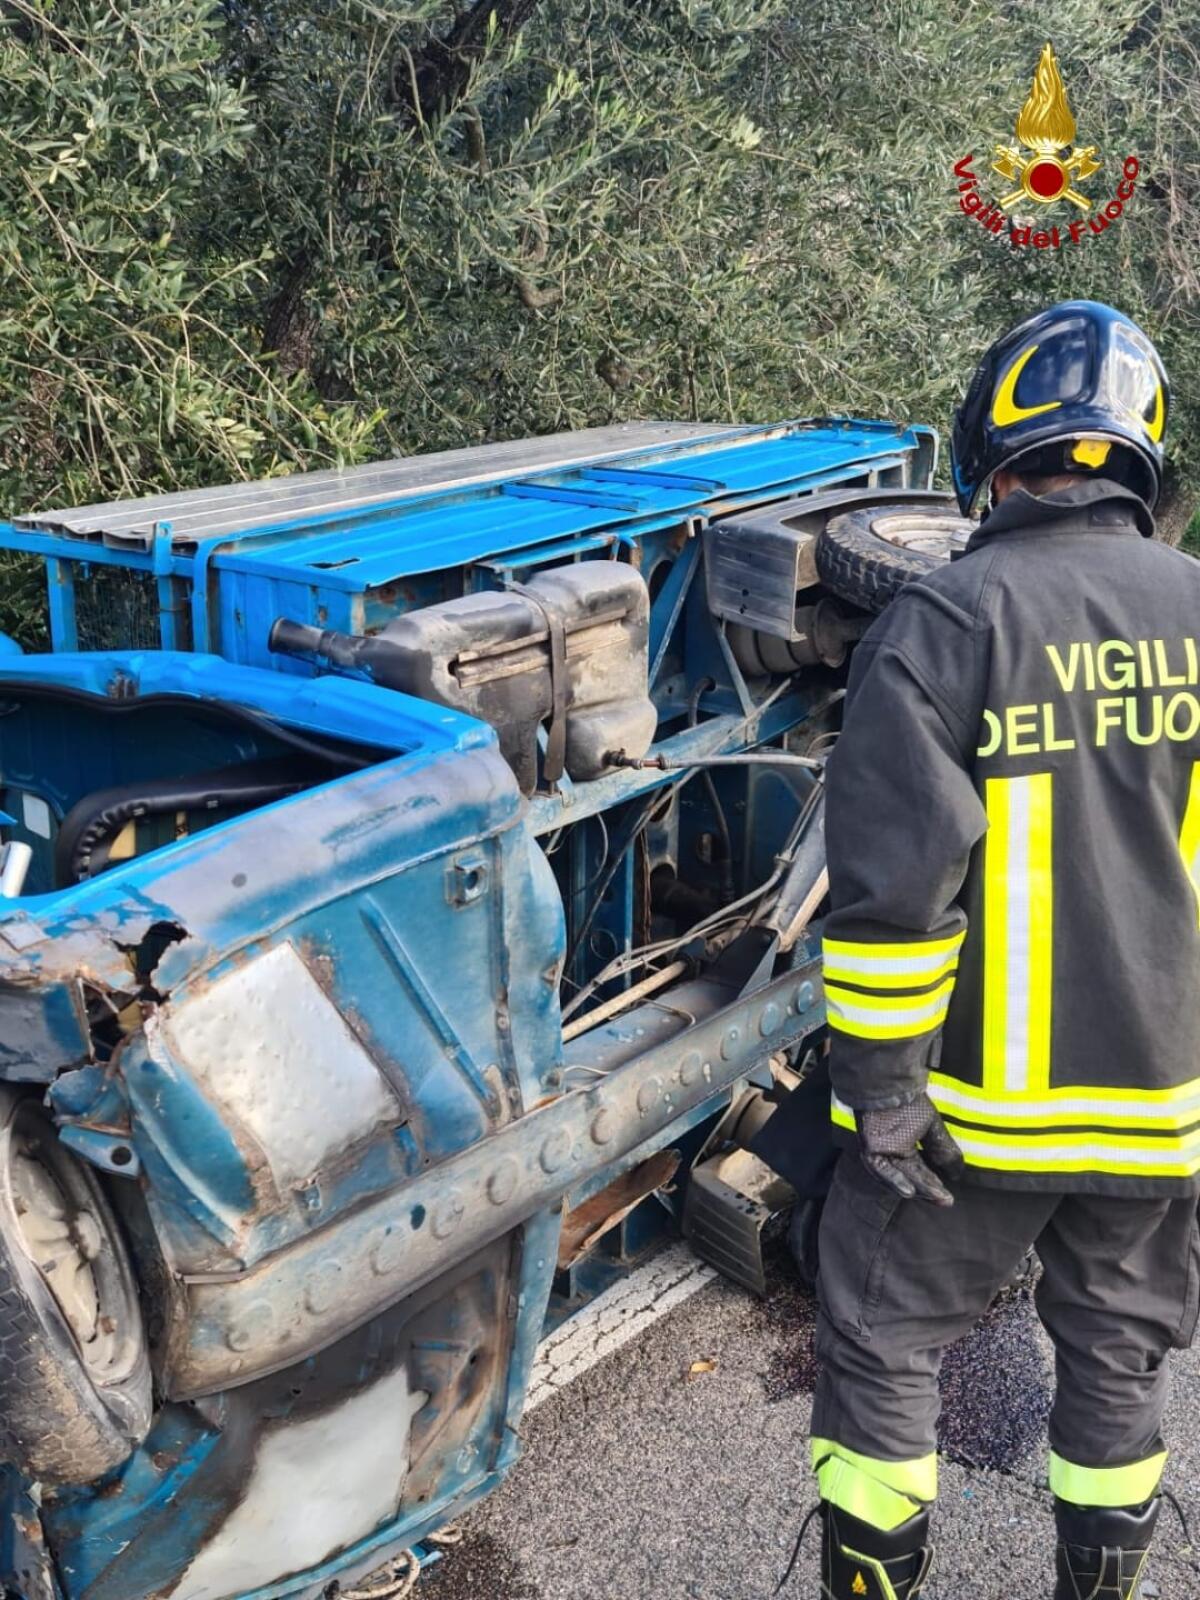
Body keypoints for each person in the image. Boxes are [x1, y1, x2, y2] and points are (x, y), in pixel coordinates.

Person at [806, 300, 1200, 1600]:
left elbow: (892, 901)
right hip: (1163, 1107)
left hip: (978, 1119)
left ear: (994, 451)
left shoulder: (944, 620)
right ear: (1142, 458)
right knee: (1118, 1356)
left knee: (880, 1337)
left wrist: (882, 1096)